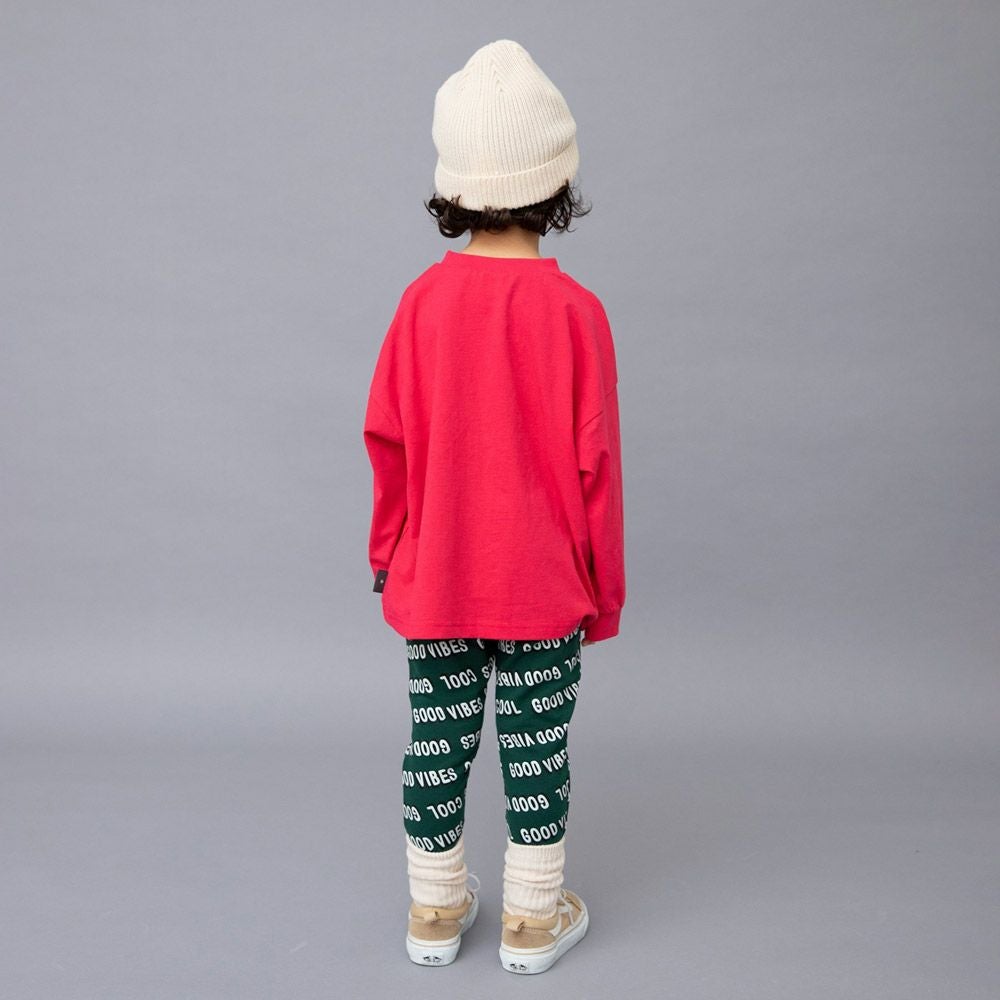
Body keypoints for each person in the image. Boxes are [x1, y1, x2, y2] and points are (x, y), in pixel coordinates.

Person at [363, 38, 626, 975]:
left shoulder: (419, 306)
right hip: (543, 587)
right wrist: (603, 593)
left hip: (438, 578)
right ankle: (530, 921)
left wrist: (389, 554)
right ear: (556, 182)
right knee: (535, 752)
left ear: (454, 184)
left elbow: (388, 442)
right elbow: (598, 470)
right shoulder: (577, 315)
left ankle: (435, 911)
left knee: (434, 744)